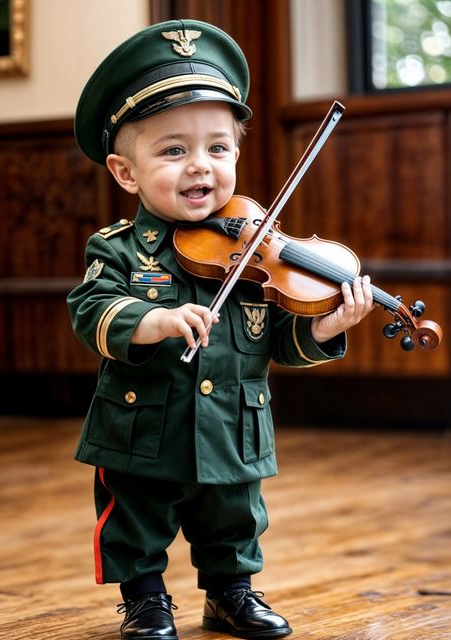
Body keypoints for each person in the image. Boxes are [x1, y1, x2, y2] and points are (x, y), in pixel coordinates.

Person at [67, 18, 375, 640]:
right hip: (142, 427)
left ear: (235, 154)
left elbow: (275, 340)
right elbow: (90, 310)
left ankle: (231, 593)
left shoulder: (258, 245)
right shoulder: (121, 250)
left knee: (235, 518)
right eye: (173, 150)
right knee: (136, 517)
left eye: (217, 148)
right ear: (127, 173)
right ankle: (146, 601)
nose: (199, 166)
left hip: (235, 424)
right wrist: (153, 320)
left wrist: (321, 331)